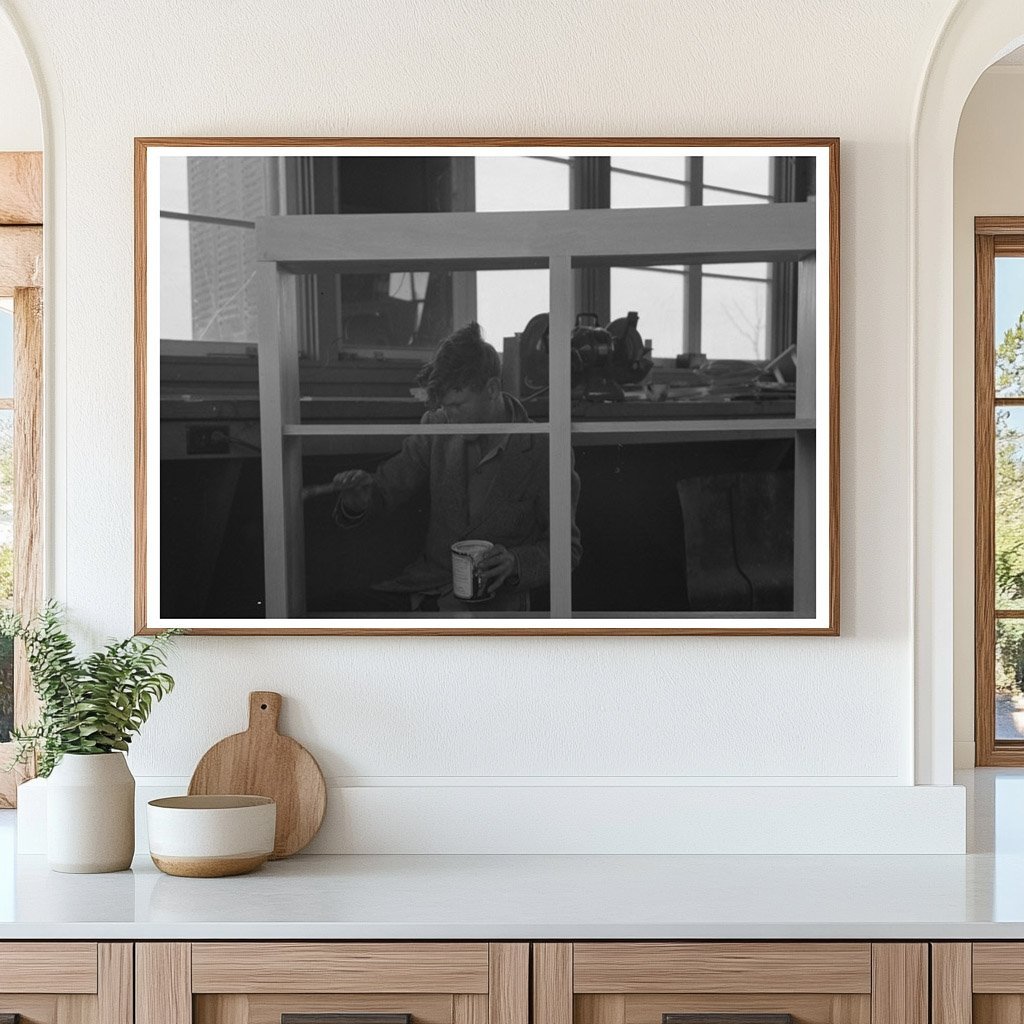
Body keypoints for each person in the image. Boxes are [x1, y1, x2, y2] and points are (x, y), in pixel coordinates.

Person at [331, 322, 581, 613]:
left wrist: (515, 561)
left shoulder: (545, 450)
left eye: (458, 405)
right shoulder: (437, 426)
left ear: (492, 388)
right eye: (445, 407)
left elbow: (568, 549)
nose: (449, 417)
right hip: (424, 590)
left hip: (496, 605)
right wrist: (359, 500)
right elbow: (384, 490)